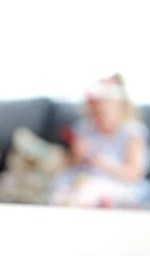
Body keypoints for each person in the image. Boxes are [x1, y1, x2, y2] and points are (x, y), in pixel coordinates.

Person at [49, 73, 149, 207]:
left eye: (102, 113)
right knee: (61, 187)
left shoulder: (132, 132)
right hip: (83, 179)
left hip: (120, 184)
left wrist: (104, 164)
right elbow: (70, 165)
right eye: (93, 113)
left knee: (91, 191)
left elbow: (135, 173)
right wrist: (78, 154)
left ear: (120, 108)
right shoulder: (84, 127)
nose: (97, 119)